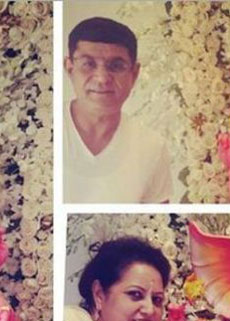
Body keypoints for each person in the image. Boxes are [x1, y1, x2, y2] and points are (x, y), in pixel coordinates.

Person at [64, 16, 172, 203]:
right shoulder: (40, 131)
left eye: (116, 66)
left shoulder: (152, 147)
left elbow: (159, 213)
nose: (102, 78)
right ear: (69, 68)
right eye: (88, 64)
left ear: (134, 74)